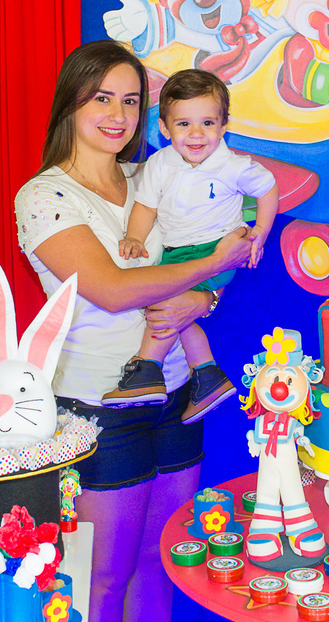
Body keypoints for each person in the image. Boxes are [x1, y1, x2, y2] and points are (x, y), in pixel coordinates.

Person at [14, 40, 251, 622]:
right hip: (99, 407)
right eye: (101, 98)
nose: (117, 114)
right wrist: (210, 267)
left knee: (159, 562)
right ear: (70, 103)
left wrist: (206, 297)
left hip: (177, 396)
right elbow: (114, 290)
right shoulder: (44, 196)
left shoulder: (153, 176)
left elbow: (218, 243)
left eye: (130, 101)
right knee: (104, 577)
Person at [108, 69, 278, 422]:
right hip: (177, 254)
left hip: (218, 249)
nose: (196, 134)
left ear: (224, 125)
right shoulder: (160, 164)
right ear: (164, 128)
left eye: (208, 123)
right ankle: (207, 374)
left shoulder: (232, 166)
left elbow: (267, 188)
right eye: (184, 124)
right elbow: (146, 207)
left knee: (165, 305)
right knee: (178, 313)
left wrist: (260, 231)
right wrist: (135, 237)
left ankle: (147, 368)